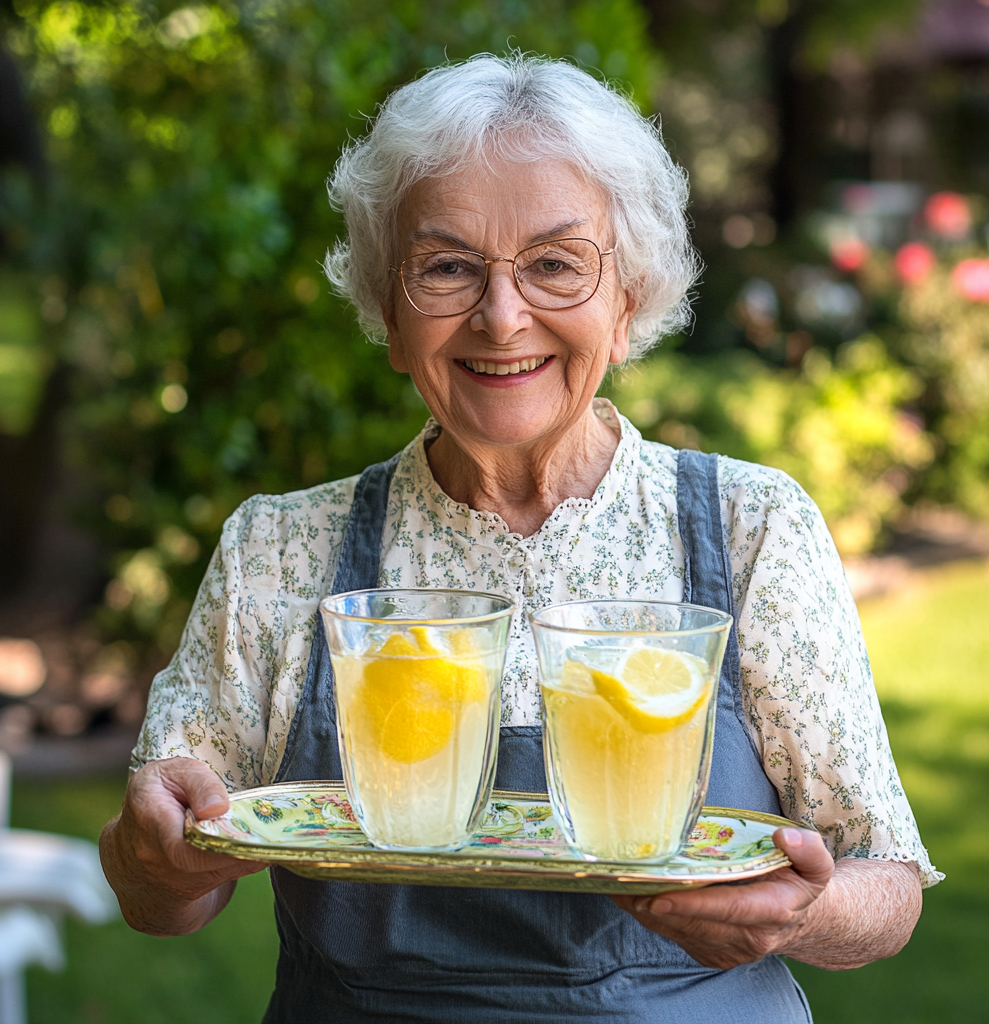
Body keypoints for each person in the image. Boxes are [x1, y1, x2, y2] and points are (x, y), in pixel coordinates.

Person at [100, 53, 940, 1022]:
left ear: (628, 304)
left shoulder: (750, 526)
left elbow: (885, 880)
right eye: (447, 266)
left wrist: (796, 913)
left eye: (554, 264)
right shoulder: (282, 550)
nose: (502, 319)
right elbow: (162, 895)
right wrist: (154, 846)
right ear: (386, 305)